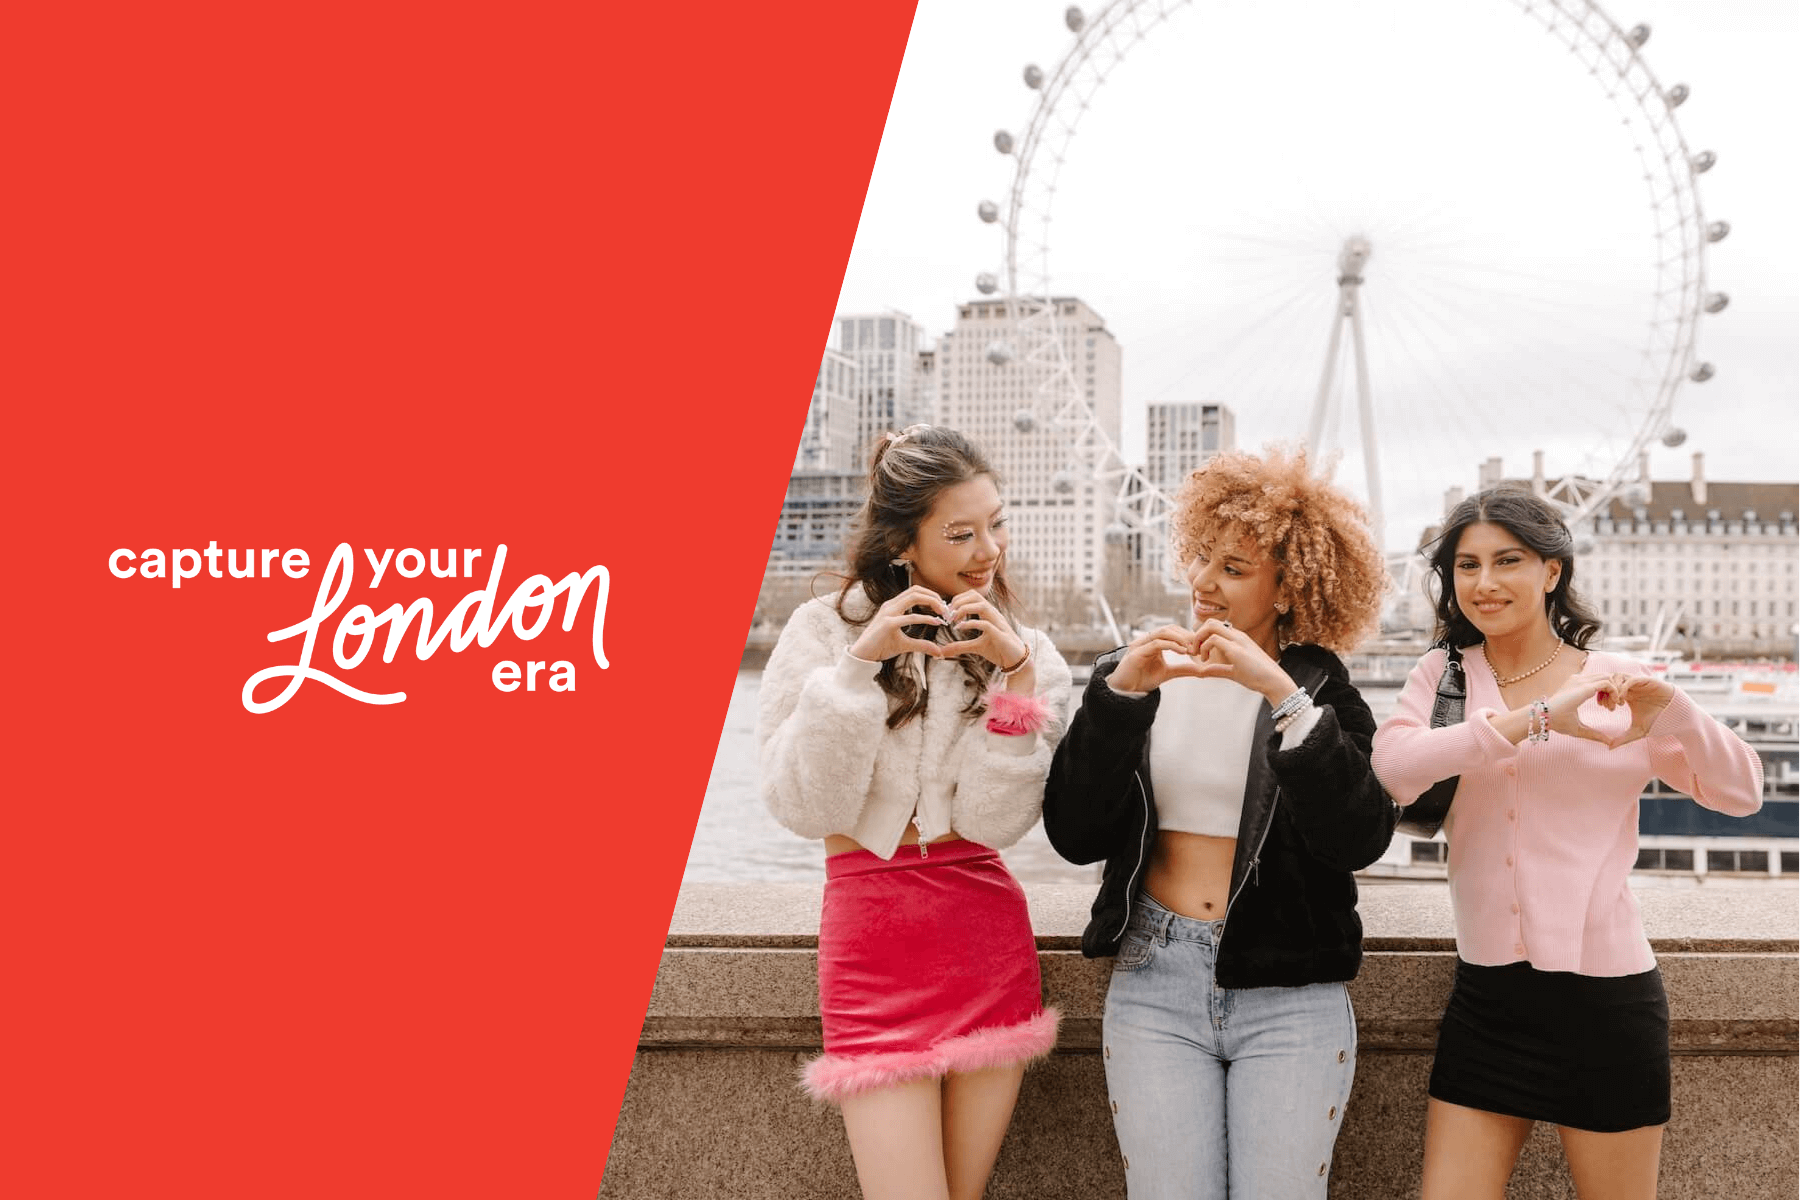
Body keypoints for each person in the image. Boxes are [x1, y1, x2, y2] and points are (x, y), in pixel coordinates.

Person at [1371, 487, 1763, 1200]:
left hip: (1607, 1005)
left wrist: (1672, 709)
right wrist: (1538, 719)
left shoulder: (1614, 680)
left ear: (1552, 571)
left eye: (1508, 561)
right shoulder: (1444, 675)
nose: (1484, 583)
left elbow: (1741, 792)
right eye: (1467, 565)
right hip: (1486, 1002)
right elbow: (1394, 771)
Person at [1042, 447, 1396, 1199]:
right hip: (1153, 975)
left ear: (1288, 588)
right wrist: (1117, 701)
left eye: (1233, 568)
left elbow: (1359, 837)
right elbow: (1073, 833)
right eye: (1201, 556)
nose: (1203, 581)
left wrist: (1282, 696)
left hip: (1291, 989)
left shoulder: (1322, 692)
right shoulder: (1135, 673)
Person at [757, 425, 1071, 1200]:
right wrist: (857, 668)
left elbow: (996, 824)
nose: (988, 550)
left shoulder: (1027, 651)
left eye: (995, 524)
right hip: (873, 949)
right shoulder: (822, 632)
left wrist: (1016, 681)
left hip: (986, 944)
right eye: (960, 533)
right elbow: (806, 806)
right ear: (902, 541)